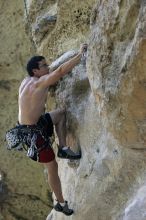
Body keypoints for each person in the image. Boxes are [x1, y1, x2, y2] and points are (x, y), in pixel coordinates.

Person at [18, 43, 88, 215]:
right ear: (36, 71)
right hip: (32, 135)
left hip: (34, 123)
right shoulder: (38, 84)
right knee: (52, 168)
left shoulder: (27, 81)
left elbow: (55, 69)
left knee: (60, 114)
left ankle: (63, 148)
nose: (48, 67)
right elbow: (60, 72)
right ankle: (61, 203)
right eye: (44, 65)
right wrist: (80, 55)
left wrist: (56, 65)